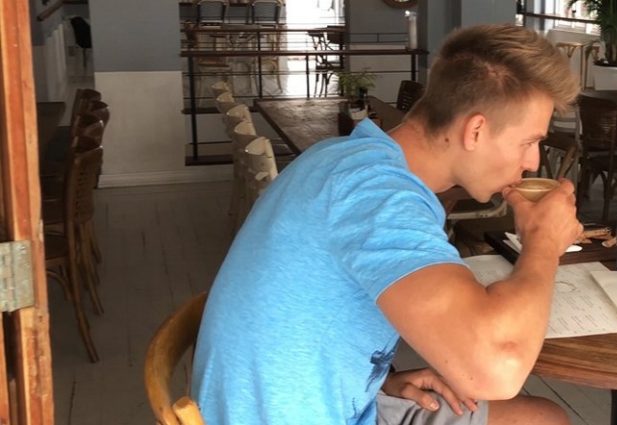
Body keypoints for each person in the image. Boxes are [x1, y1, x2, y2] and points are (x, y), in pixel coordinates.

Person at [192, 24, 583, 425]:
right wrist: (542, 241)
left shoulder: (346, 158)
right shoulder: (377, 193)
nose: (533, 161)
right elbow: (497, 371)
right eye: (528, 142)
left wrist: (378, 381)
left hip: (321, 403)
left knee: (543, 418)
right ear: (476, 130)